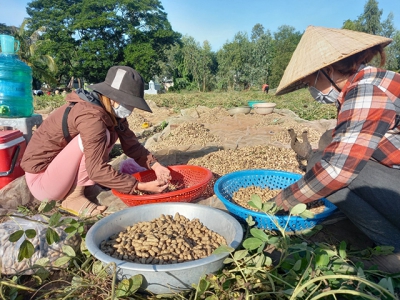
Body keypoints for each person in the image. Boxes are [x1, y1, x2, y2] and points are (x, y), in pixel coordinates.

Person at [274, 26, 400, 272]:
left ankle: (394, 249)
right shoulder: (368, 80)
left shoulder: (366, 90)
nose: (312, 90)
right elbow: (344, 140)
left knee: (326, 167)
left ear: (328, 70)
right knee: (328, 141)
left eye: (310, 81)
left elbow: (337, 169)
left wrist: (283, 199)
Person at [21, 66, 171, 217]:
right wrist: (140, 186)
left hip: (59, 172)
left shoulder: (111, 113)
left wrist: (155, 166)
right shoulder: (91, 117)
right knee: (102, 135)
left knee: (106, 134)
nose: (130, 109)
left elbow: (131, 144)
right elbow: (96, 170)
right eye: (129, 103)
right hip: (42, 182)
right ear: (112, 98)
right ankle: (73, 197)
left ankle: (81, 186)